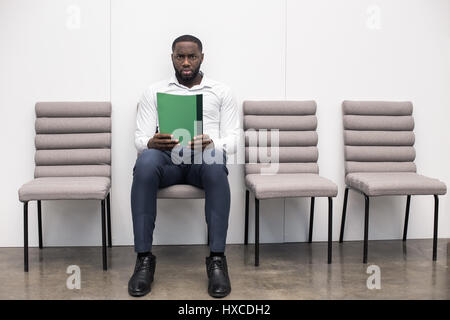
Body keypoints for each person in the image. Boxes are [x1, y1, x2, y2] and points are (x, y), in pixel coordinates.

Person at [128, 35, 240, 298]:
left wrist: (213, 141)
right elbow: (139, 138)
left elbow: (235, 138)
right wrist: (151, 141)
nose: (186, 62)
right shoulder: (154, 91)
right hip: (167, 158)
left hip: (202, 158)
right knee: (144, 161)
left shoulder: (221, 91)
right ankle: (144, 259)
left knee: (215, 162)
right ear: (172, 58)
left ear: (202, 57)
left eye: (192, 56)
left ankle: (216, 260)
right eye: (181, 56)